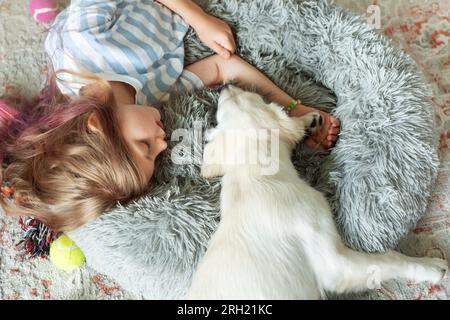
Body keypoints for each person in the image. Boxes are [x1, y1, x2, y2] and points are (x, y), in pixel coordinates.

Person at [0, 0, 339, 232]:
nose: (163, 142)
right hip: (151, 28)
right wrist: (293, 110)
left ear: (98, 124)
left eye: (145, 145)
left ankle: (48, 17)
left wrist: (198, 19)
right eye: (156, 153)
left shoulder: (86, 40)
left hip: (108, 18)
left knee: (61, 27)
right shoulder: (150, 99)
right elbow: (222, 67)